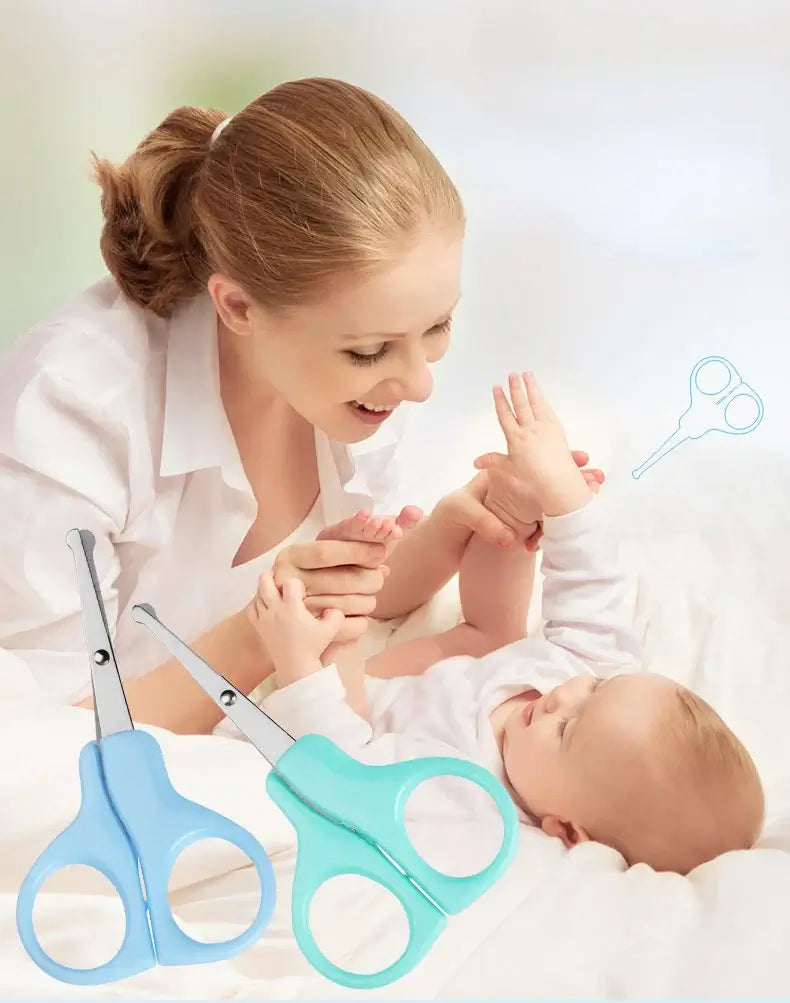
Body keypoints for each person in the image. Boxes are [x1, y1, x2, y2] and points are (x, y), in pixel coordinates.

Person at [0, 76, 604, 734]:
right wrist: (258, 636)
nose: (419, 383)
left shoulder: (352, 389)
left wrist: (461, 526)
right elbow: (44, 739)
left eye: (436, 328)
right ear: (237, 307)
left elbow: (343, 599)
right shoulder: (72, 415)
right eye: (372, 349)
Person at [250, 372, 764, 875]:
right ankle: (511, 508)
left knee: (344, 667)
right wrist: (561, 495)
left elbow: (347, 776)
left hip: (372, 711)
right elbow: (595, 585)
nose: (564, 695)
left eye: (565, 730)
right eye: (598, 688)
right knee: (496, 627)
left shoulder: (468, 797)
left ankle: (335, 627)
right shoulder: (584, 685)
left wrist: (302, 663)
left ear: (565, 830)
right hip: (484, 647)